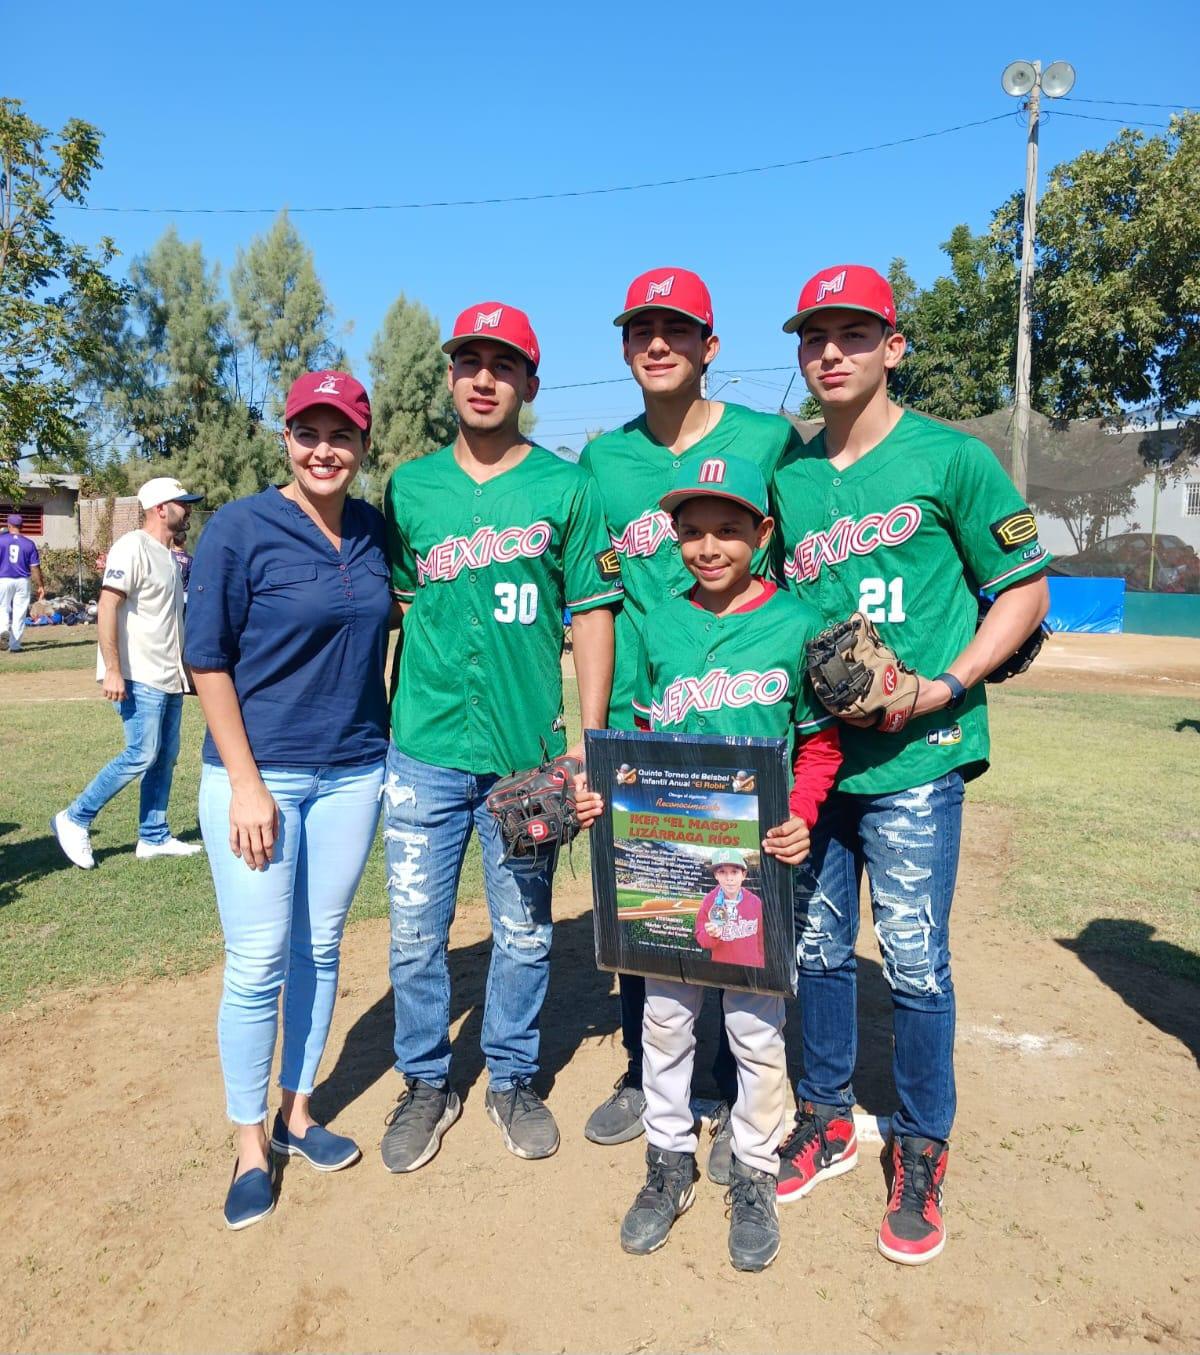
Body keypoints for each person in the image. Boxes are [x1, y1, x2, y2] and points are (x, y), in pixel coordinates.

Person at [771, 264, 1051, 1265]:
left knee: (919, 959)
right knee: (816, 948)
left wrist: (950, 680)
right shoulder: (789, 477)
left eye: (854, 333)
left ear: (894, 346)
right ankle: (829, 1117)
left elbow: (1023, 586)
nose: (831, 351)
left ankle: (923, 1144)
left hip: (919, 753)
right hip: (819, 758)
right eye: (815, 336)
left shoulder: (952, 458)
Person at [380, 302, 621, 1171]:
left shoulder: (565, 488)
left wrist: (588, 740)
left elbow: (594, 617)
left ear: (529, 382)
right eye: (469, 361)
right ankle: (424, 1081)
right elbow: (405, 603)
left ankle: (513, 1076)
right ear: (450, 376)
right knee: (414, 931)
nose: (484, 377)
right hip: (423, 747)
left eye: (504, 363)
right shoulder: (409, 487)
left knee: (522, 931)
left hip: (525, 755)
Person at [579, 267, 801, 1178]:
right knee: (655, 903)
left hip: (746, 708)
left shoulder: (769, 439)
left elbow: (810, 549)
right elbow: (593, 593)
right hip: (650, 712)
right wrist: (588, 734)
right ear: (627, 346)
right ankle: (649, 1076)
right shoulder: (603, 460)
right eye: (641, 329)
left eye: (677, 329)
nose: (657, 343)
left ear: (712, 348)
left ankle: (731, 1093)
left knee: (740, 906)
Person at [603, 454, 840, 1271]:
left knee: (752, 1025)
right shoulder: (657, 621)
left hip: (755, 858)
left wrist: (801, 814)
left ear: (762, 533)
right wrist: (612, 795)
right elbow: (634, 740)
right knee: (665, 1018)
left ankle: (755, 1163)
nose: (710, 545)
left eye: (729, 529)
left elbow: (819, 742)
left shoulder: (798, 620)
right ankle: (668, 1156)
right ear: (674, 537)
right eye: (693, 530)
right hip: (668, 854)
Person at [184, 370, 391, 1231]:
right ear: (286, 439)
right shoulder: (240, 527)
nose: (323, 449)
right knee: (258, 959)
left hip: (352, 771)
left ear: (362, 443)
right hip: (256, 780)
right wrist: (244, 781)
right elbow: (207, 658)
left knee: (320, 946)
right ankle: (247, 1148)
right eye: (308, 431)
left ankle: (296, 1113)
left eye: (340, 433)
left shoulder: (376, 529)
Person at [51, 478, 205, 869]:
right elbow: (107, 606)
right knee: (141, 752)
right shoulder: (132, 546)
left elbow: (172, 624)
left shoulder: (169, 558)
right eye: (182, 504)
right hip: (139, 674)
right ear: (160, 508)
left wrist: (187, 674)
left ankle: (153, 835)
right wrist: (114, 670)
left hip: (167, 676)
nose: (187, 511)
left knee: (164, 756)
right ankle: (75, 817)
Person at [696, 849, 766, 969]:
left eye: (734, 872)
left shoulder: (755, 902)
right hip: (723, 970)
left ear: (743, 875)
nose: (729, 878)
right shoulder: (709, 901)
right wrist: (711, 935)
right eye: (722, 872)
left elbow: (761, 939)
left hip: (752, 970)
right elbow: (702, 939)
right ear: (716, 875)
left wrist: (760, 964)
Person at [0, 513, 46, 653]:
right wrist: (40, 585)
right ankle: (15, 646)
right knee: (19, 613)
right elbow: (34, 568)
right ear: (22, 526)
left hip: (4, 579)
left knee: (3, 608)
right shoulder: (29, 543)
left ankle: (3, 631)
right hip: (22, 581)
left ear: (9, 525)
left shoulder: (1, 540)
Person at [170, 530, 193, 598]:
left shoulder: (168, 555)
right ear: (185, 542)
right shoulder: (189, 559)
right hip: (183, 594)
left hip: (170, 592)